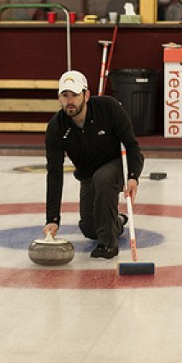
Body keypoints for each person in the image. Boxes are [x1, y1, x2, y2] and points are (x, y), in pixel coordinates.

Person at [42, 70, 144, 258]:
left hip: (116, 165)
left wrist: (132, 177)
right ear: (59, 98)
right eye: (65, 95)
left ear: (86, 95)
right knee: (90, 228)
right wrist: (53, 219)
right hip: (88, 174)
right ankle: (117, 222)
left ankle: (108, 245)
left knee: (103, 178)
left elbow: (132, 146)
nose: (70, 100)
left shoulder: (108, 107)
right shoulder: (56, 127)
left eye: (74, 95)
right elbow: (54, 173)